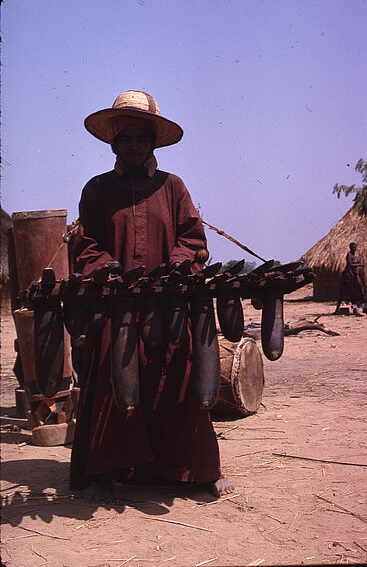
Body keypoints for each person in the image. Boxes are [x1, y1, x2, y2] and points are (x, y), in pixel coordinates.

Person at [69, 90, 233, 500]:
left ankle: (194, 471)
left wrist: (177, 263)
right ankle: (106, 471)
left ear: (153, 142)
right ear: (115, 144)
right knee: (112, 382)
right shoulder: (97, 189)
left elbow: (192, 238)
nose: (134, 146)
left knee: (177, 377)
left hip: (168, 304)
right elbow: (83, 243)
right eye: (125, 139)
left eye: (141, 138)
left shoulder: (173, 187)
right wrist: (105, 266)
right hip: (115, 305)